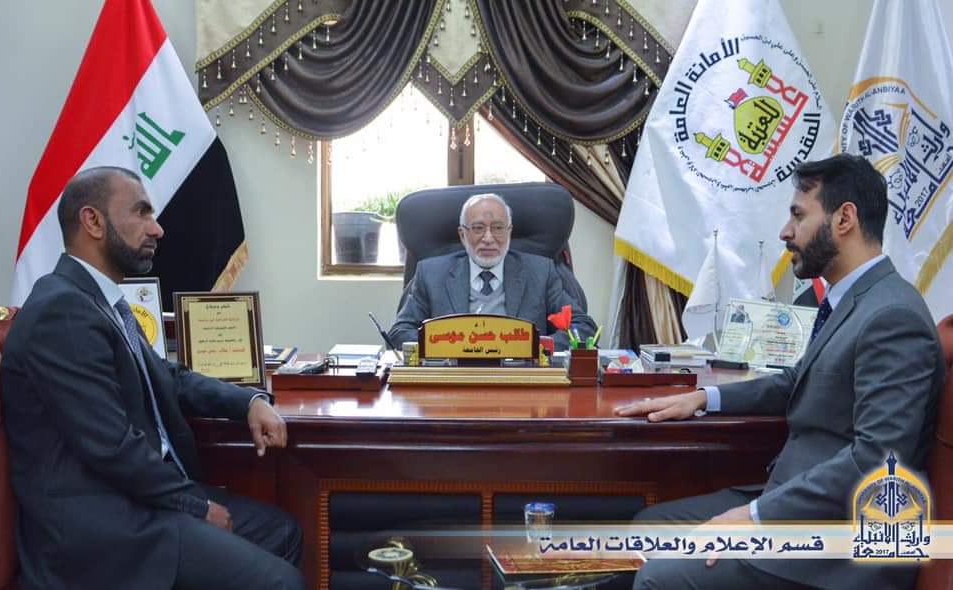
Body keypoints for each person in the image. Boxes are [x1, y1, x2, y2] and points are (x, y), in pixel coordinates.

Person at [616, 154, 945, 590]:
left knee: (658, 579)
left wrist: (755, 517)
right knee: (648, 527)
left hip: (839, 544)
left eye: (798, 215)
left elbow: (877, 461)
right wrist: (703, 398)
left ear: (844, 218)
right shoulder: (851, 300)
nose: (785, 232)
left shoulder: (892, 316)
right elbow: (799, 381)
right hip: (793, 499)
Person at [0, 167, 305, 590]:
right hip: (102, 531)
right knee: (282, 582)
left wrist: (248, 402)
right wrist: (196, 505)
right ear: (93, 221)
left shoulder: (99, 300)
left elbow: (167, 377)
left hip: (138, 500)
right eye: (142, 213)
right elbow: (111, 445)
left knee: (282, 532)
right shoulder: (61, 312)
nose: (157, 229)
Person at [389, 192, 596, 350]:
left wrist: (534, 348)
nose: (488, 238)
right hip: (453, 380)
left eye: (498, 228)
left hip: (522, 380)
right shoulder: (431, 274)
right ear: (462, 235)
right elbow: (399, 333)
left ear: (509, 232)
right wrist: (449, 347)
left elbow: (583, 327)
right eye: (478, 228)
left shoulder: (540, 272)